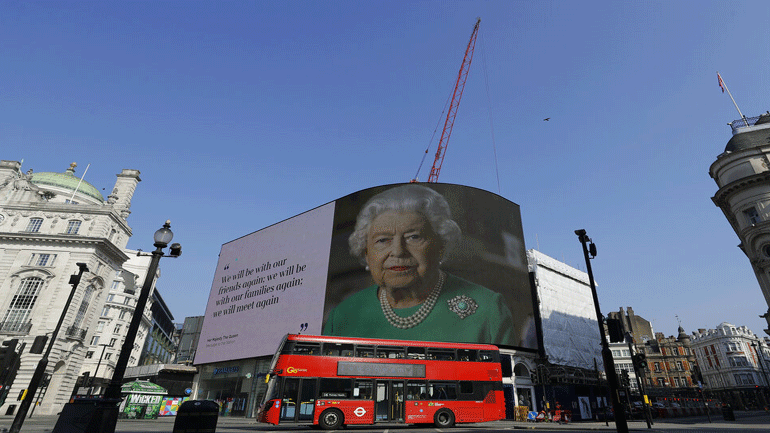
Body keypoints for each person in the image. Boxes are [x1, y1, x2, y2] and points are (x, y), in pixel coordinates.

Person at [322, 184, 517, 345]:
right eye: (383, 240)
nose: (398, 251)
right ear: (366, 253)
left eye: (414, 237)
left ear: (440, 245)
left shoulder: (487, 308)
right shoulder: (342, 316)